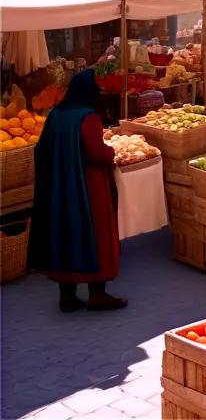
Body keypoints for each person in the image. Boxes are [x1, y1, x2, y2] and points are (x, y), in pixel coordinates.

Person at [29, 70, 125, 312]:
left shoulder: (56, 114)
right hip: (89, 187)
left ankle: (67, 296)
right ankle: (97, 294)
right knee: (98, 234)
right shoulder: (88, 117)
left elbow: (41, 149)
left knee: (65, 233)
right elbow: (96, 153)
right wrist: (111, 153)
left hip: (59, 187)